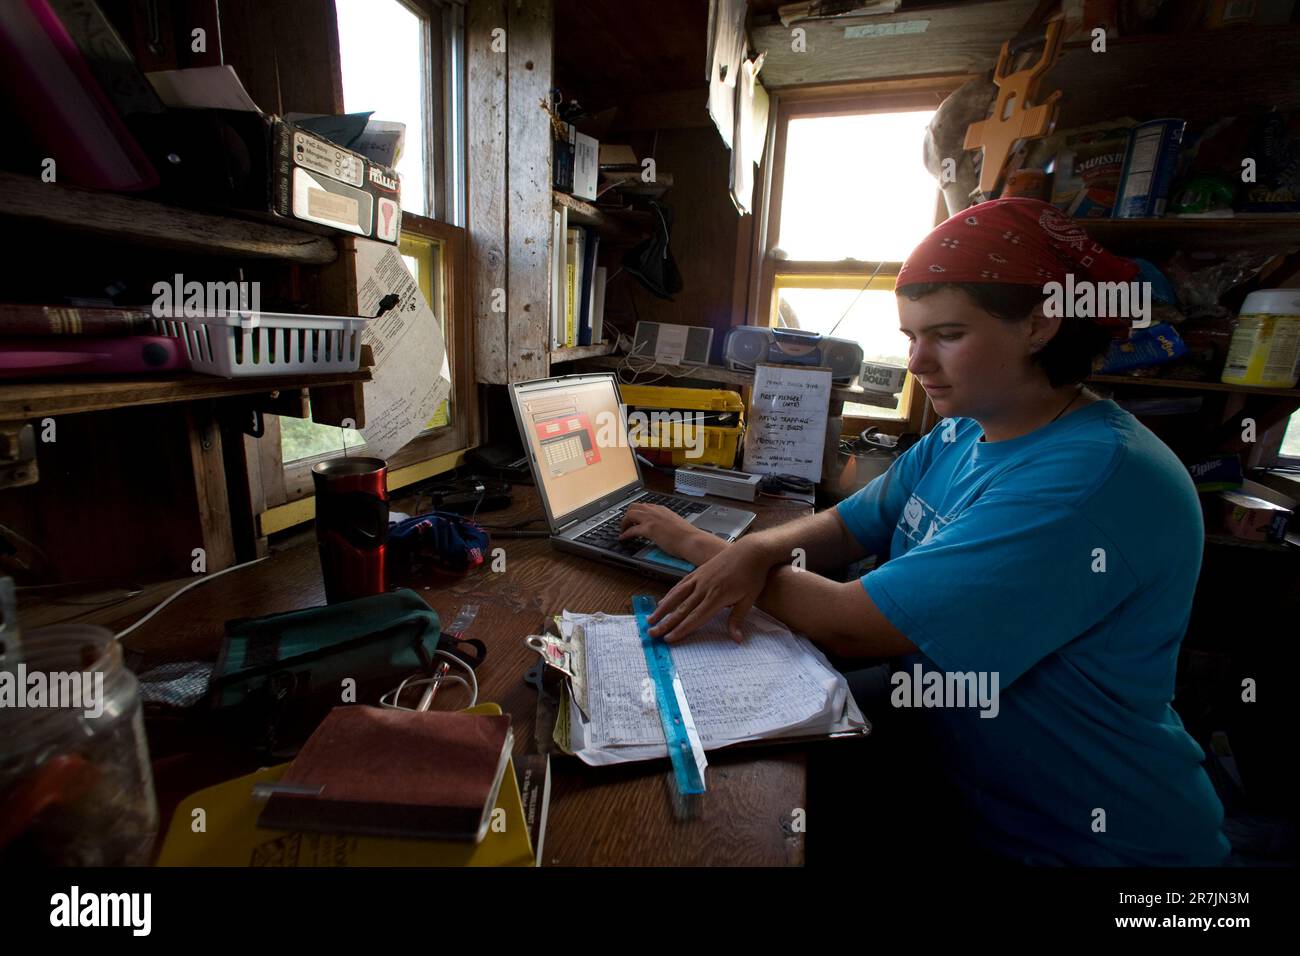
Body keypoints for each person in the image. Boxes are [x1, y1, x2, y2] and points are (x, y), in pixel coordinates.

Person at [618, 198, 1230, 867]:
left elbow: (853, 623)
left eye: (946, 335)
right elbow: (851, 524)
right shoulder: (966, 430)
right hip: (963, 786)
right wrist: (758, 547)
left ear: (1039, 323)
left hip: (1087, 843)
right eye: (910, 335)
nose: (916, 361)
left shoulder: (1091, 480)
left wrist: (697, 545)